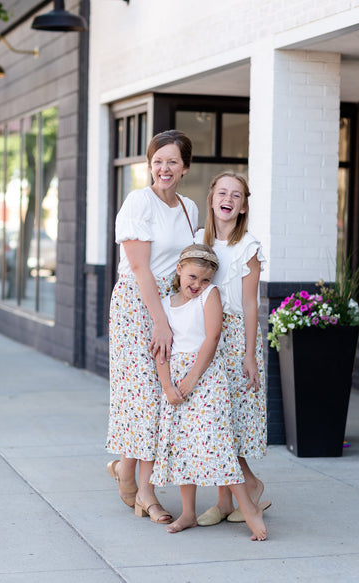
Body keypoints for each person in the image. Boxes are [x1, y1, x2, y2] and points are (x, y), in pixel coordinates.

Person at [106, 130, 198, 525]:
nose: (164, 168)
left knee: (160, 397)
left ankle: (127, 470)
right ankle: (145, 491)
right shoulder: (138, 202)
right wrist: (159, 322)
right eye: (158, 161)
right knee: (143, 394)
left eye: (172, 162)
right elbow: (141, 268)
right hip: (137, 306)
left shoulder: (190, 208)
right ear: (150, 164)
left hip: (172, 304)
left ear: (185, 168)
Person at [150, 244, 267, 540]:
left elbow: (212, 338)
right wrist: (167, 385)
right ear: (179, 270)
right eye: (192, 277)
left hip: (204, 378)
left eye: (204, 280)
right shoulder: (165, 305)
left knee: (217, 441)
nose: (197, 285)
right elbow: (160, 350)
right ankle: (188, 513)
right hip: (175, 378)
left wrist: (191, 379)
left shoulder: (209, 297)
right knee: (181, 444)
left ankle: (248, 507)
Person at [194, 171, 269, 527]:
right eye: (222, 192)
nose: (228, 199)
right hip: (204, 337)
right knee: (211, 420)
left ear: (242, 207)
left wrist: (250, 354)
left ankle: (240, 490)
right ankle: (231, 496)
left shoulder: (248, 247)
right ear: (212, 198)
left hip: (235, 337)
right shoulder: (198, 241)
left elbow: (252, 305)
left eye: (236, 195)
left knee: (231, 421)